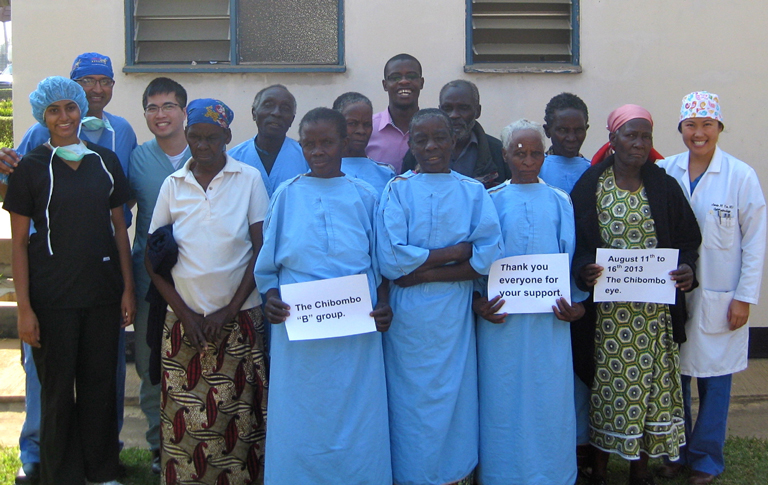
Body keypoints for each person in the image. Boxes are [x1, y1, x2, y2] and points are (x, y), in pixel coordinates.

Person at [1, 53, 138, 483]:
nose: (65, 116)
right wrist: (24, 309)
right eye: (54, 110)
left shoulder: (106, 161)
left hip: (101, 295)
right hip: (51, 299)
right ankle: (58, 473)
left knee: (99, 387)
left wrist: (127, 290)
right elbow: (19, 245)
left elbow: (120, 231)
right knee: (57, 393)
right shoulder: (30, 169)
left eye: (71, 107)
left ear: (83, 109)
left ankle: (101, 471)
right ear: (43, 116)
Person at [254, 107, 393, 484]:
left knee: (357, 416)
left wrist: (383, 304)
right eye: (310, 144)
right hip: (300, 336)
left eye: (327, 143)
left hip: (355, 335)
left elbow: (381, 264)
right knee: (301, 418)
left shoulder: (365, 196)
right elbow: (267, 267)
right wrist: (270, 297)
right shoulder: (286, 195)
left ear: (343, 144)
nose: (318, 151)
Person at [571, 104, 702, 485]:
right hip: (608, 317)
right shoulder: (591, 184)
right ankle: (598, 467)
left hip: (653, 315)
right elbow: (575, 241)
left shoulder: (663, 185)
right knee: (607, 390)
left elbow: (687, 238)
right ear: (612, 140)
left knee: (647, 391)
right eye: (631, 135)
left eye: (646, 136)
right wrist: (584, 269)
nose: (640, 143)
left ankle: (639, 470)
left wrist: (687, 268)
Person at [146, 99, 270, 484]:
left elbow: (261, 251)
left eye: (212, 138)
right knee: (184, 419)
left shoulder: (248, 179)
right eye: (195, 136)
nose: (203, 145)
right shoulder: (173, 185)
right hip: (185, 327)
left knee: (239, 419)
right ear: (186, 135)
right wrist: (185, 315)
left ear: (227, 138)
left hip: (239, 323)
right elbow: (153, 260)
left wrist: (229, 310)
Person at [377, 108, 503, 485]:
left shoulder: (472, 191)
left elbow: (486, 256)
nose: (431, 146)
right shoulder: (397, 190)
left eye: (439, 138)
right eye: (421, 140)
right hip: (407, 324)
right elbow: (392, 258)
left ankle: (455, 475)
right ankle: (411, 475)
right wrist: (454, 252)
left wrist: (426, 272)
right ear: (411, 145)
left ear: (453, 141)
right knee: (409, 404)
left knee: (454, 400)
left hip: (454, 319)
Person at [656, 92, 766, 485]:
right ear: (681, 129)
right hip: (674, 296)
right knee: (674, 381)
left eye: (707, 125)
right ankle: (676, 452)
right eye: (691, 125)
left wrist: (744, 297)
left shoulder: (740, 176)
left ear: (719, 127)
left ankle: (706, 460)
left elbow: (755, 241)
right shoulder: (665, 170)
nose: (698, 133)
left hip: (721, 298)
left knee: (716, 382)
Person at [473, 119, 588, 485]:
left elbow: (569, 256)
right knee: (501, 398)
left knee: (549, 400)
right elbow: (481, 261)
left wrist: (576, 303)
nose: (527, 159)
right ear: (505, 155)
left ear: (544, 156)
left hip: (548, 324)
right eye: (519, 153)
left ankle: (552, 473)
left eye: (535, 152)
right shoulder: (491, 201)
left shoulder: (559, 200)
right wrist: (479, 302)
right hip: (502, 326)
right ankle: (501, 474)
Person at [127, 77, 190, 474]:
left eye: (168, 106)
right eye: (152, 107)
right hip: (150, 279)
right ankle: (158, 444)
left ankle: (197, 435)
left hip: (197, 280)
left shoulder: (207, 149)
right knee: (151, 364)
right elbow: (118, 214)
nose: (160, 114)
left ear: (184, 110)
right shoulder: (136, 159)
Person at [401, 79, 509, 187]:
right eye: (447, 109)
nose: (454, 115)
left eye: (463, 108)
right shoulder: (418, 152)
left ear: (477, 111)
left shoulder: (497, 152)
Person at [228, 84, 308, 196]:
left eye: (285, 108)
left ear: (292, 119)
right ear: (254, 113)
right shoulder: (232, 160)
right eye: (268, 105)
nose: (276, 113)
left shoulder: (306, 158)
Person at [366, 53, 424, 173]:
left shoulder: (432, 129)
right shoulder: (368, 128)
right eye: (395, 77)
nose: (403, 82)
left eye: (411, 76)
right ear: (385, 85)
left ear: (421, 83)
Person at [332, 91, 395, 195]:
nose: (361, 131)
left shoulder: (386, 173)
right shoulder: (323, 171)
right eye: (352, 124)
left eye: (367, 124)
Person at [540, 92, 591, 193]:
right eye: (563, 130)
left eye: (578, 130)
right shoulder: (535, 170)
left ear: (586, 129)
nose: (571, 138)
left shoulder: (592, 170)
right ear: (547, 131)